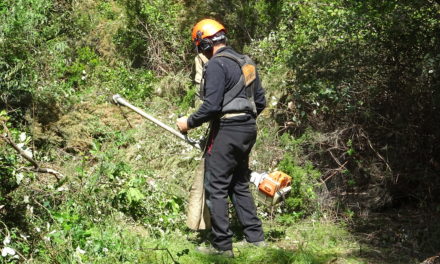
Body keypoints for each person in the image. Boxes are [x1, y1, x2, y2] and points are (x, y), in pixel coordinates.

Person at [176, 18, 266, 258]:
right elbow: (261, 102)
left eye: (200, 46)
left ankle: (222, 247)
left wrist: (189, 122)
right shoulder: (246, 62)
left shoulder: (216, 64)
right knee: (238, 183)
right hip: (249, 129)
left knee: (216, 187)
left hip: (227, 130)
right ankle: (256, 239)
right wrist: (244, 120)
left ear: (205, 43)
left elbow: (212, 106)